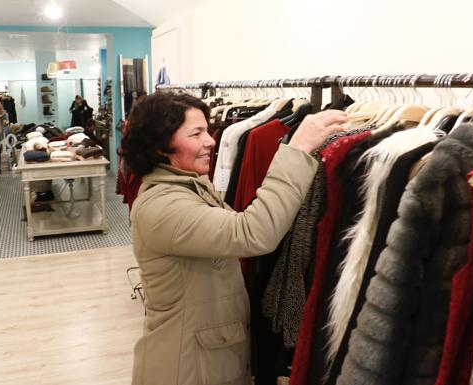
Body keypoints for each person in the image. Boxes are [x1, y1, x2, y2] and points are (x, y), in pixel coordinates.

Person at [121, 92, 347, 385]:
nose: (211, 140)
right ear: (160, 145)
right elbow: (254, 232)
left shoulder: (190, 186)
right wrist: (298, 147)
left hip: (209, 355)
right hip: (186, 367)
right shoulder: (163, 206)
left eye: (207, 129)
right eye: (196, 133)